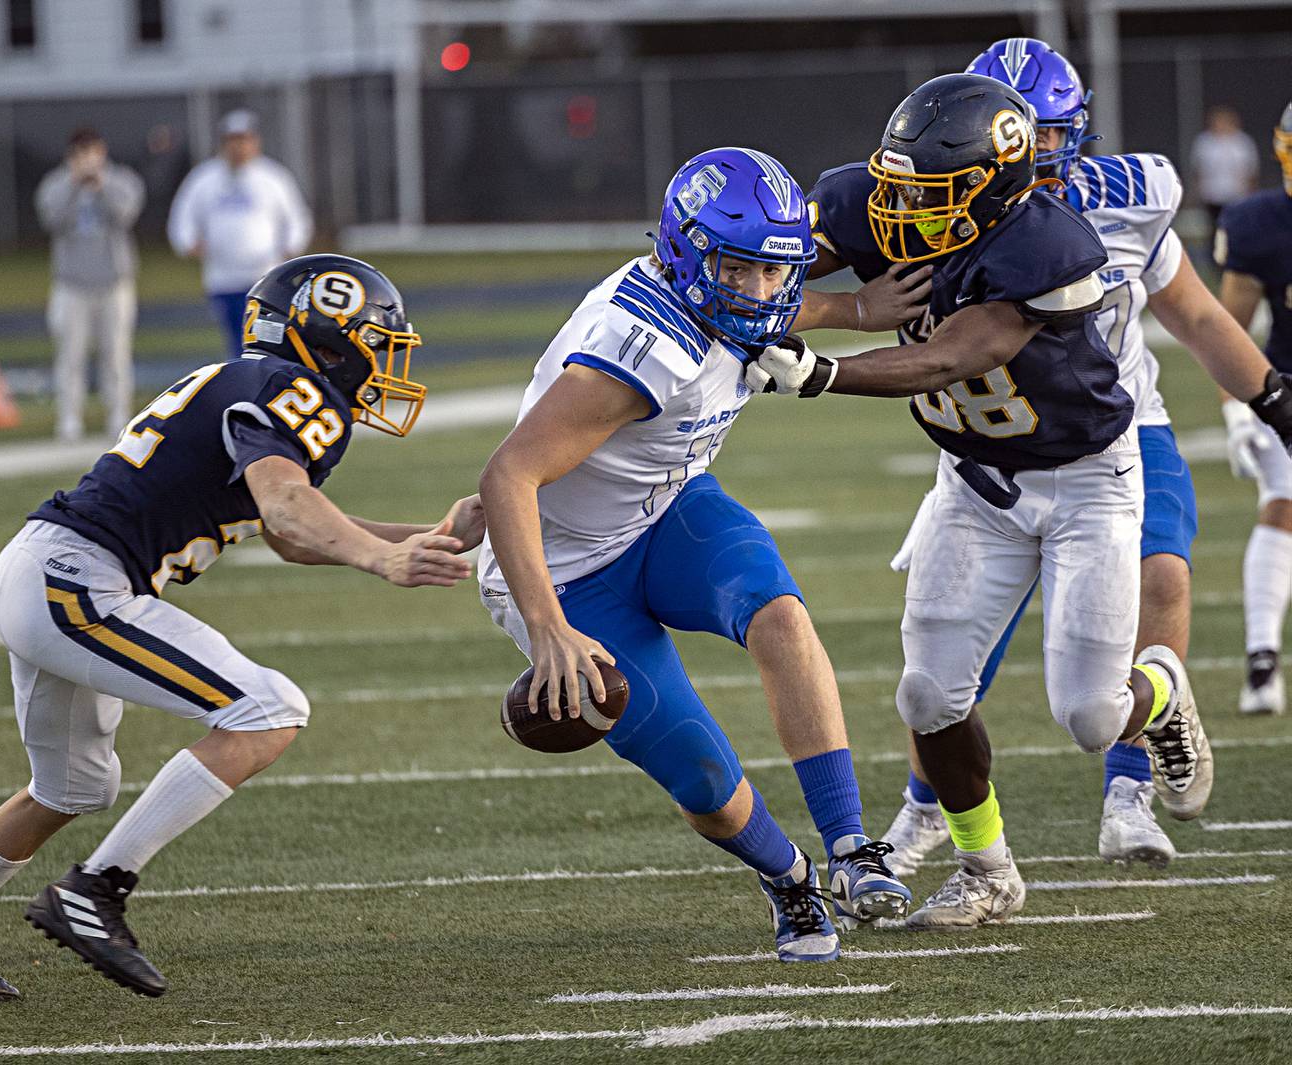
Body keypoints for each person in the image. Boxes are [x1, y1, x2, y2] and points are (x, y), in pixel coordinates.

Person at [0, 255, 482, 1004]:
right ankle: (97, 888)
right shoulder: (293, 389)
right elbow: (288, 509)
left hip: (49, 569)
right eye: (376, 342)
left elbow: (287, 531)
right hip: (79, 579)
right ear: (328, 339)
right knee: (270, 707)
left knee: (74, 785)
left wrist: (430, 536)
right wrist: (385, 558)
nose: (384, 361)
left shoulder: (249, 380)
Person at [748, 74, 1228, 931]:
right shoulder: (874, 202)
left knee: (1090, 714)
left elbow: (953, 355)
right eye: (896, 186)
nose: (898, 209)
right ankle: (988, 868)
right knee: (928, 696)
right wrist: (808, 294)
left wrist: (826, 368)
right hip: (972, 479)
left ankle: (1162, 693)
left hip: (1086, 480)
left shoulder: (1049, 243)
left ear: (994, 189)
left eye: (926, 194)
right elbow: (773, 268)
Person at [853, 42, 1292, 879]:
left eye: (1050, 135)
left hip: (1114, 433)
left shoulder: (1125, 204)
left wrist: (1271, 399)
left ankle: (1127, 789)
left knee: (1155, 585)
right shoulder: (933, 209)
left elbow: (1197, 318)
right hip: (992, 448)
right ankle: (926, 808)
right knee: (944, 661)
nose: (1035, 156)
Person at [478, 147, 911, 965]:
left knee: (779, 614)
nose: (759, 292)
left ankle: (852, 846)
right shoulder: (648, 345)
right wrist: (545, 626)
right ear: (684, 253)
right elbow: (509, 471)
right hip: (568, 573)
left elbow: (774, 302)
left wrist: (853, 312)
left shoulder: (731, 291)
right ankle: (790, 877)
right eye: (737, 270)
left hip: (667, 509)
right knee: (703, 778)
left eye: (771, 271)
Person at [1216, 101, 1292, 714]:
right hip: (1285, 387)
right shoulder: (1261, 223)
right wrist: (1238, 412)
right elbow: (1225, 330)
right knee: (1285, 503)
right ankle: (1262, 661)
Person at [168, 110, 313, 359]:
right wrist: (189, 243)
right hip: (223, 276)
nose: (239, 147)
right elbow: (182, 218)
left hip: (265, 275)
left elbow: (297, 219)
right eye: (233, 140)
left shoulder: (273, 177)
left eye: (244, 140)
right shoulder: (204, 179)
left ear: (255, 142)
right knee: (237, 338)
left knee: (270, 337)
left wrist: (290, 248)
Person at [34, 127, 145, 442]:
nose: (87, 160)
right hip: (71, 285)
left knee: (116, 354)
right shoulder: (55, 185)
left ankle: (119, 417)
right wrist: (74, 185)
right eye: (81, 154)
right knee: (70, 354)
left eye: (92, 152)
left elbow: (125, 215)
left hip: (114, 283)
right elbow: (52, 220)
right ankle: (69, 419)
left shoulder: (121, 181)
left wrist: (101, 186)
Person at [1191, 105, 1259, 231]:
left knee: (1236, 227)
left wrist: (1249, 192)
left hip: (1236, 193)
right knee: (1215, 227)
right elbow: (1198, 169)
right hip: (1212, 193)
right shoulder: (1204, 142)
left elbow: (1250, 170)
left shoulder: (1242, 142)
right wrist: (1198, 190)